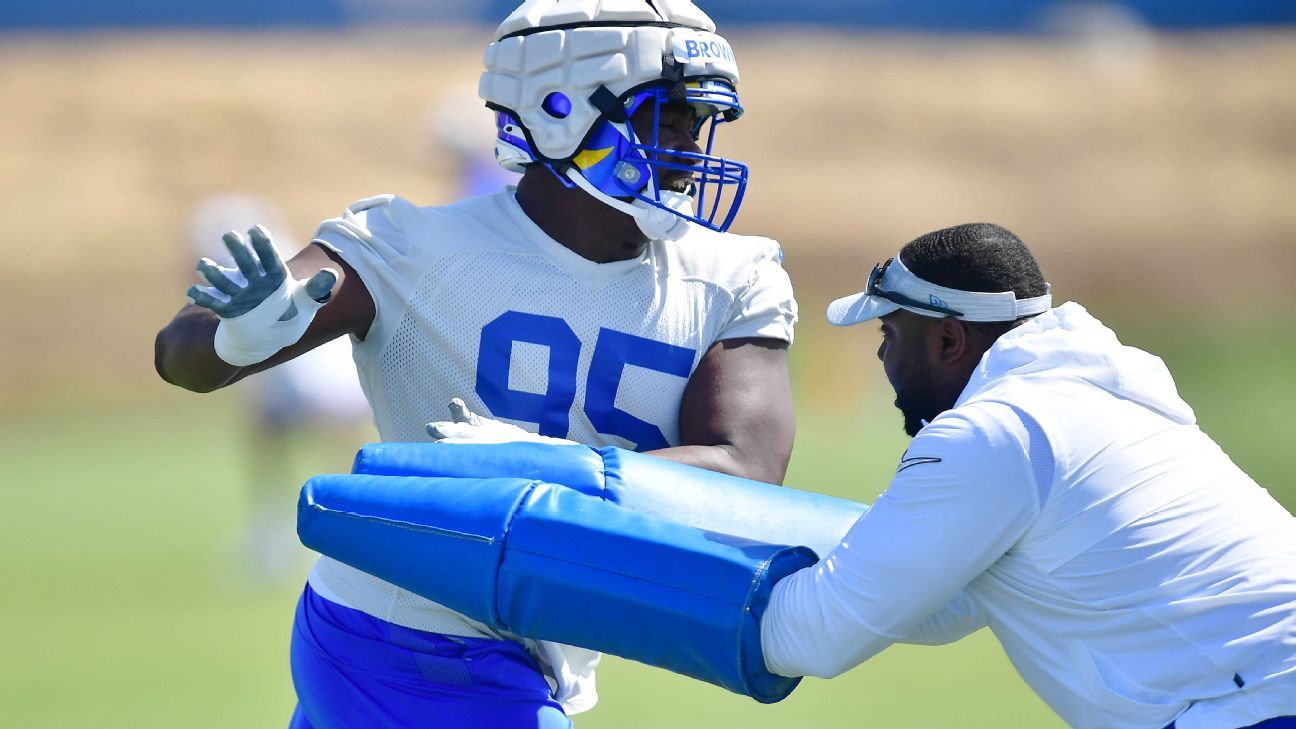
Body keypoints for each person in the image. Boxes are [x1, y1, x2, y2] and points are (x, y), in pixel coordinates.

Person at [153, 0, 797, 726]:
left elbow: (749, 470)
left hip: (538, 640)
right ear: (561, 112)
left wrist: (543, 466)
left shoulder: (732, 277)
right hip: (404, 628)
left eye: (697, 121)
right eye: (665, 116)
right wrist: (241, 334)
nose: (689, 145)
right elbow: (185, 355)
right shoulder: (412, 248)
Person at [759, 223, 1296, 728]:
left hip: (1257, 703)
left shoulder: (991, 433)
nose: (881, 353)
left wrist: (685, 564)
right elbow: (947, 601)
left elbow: (810, 637)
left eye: (890, 331)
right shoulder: (1096, 393)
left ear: (948, 340)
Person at [185, 194, 372, 586]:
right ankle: (282, 533)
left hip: (311, 368)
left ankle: (340, 532)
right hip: (310, 365)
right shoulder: (281, 256)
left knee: (327, 438)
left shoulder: (259, 272)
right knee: (274, 434)